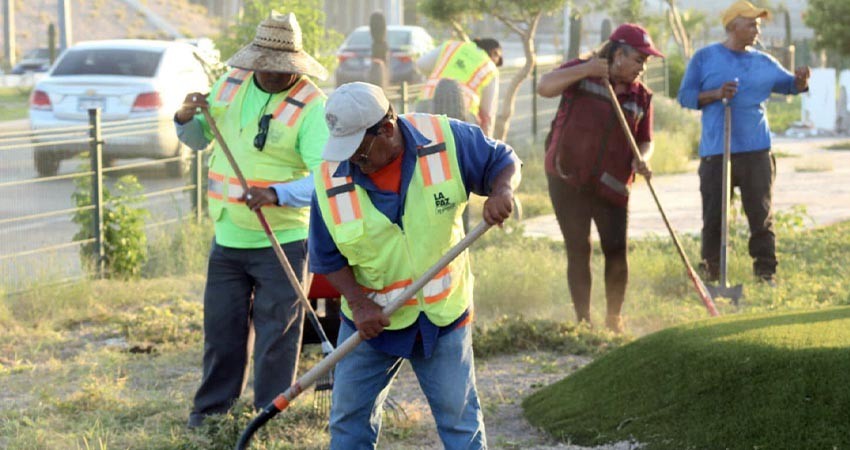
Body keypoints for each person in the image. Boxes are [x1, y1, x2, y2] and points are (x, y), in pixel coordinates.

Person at [309, 82, 520, 449]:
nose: (352, 159)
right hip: (370, 324)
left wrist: (502, 191)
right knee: (348, 424)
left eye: (359, 149)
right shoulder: (330, 180)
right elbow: (327, 257)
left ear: (386, 130)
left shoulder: (444, 139)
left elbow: (503, 160)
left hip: (443, 317)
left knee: (459, 421)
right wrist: (359, 304)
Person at [172, 12, 329, 427]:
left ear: (294, 64)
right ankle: (211, 414)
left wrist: (276, 194)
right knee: (222, 332)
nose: (273, 74)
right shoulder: (232, 83)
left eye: (282, 68)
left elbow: (326, 181)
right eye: (266, 65)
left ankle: (268, 417)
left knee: (277, 338)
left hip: (283, 238)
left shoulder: (313, 106)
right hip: (228, 236)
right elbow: (202, 138)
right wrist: (186, 119)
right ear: (254, 60)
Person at [538, 23, 663, 333]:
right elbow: (545, 87)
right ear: (618, 54)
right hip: (568, 178)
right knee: (579, 249)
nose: (641, 67)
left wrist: (642, 158)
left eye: (644, 62)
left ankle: (613, 319)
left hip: (613, 184)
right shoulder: (584, 74)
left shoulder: (642, 96)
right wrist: (586, 69)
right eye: (638, 59)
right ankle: (583, 322)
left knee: (616, 249)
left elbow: (646, 139)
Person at [677, 0, 810, 285]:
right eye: (751, 24)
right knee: (714, 217)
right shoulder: (705, 57)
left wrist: (800, 81)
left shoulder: (762, 61)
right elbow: (685, 96)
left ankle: (765, 273)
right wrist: (716, 93)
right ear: (732, 25)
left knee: (760, 216)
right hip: (717, 152)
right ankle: (711, 274)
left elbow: (790, 86)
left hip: (756, 151)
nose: (756, 30)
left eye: (758, 25)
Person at [416, 38, 503, 137]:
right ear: (494, 53)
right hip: (462, 115)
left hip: (425, 104)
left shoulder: (453, 46)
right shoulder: (490, 68)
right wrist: (487, 145)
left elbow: (421, 64)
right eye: (497, 61)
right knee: (458, 149)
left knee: (420, 145)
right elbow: (487, 115)